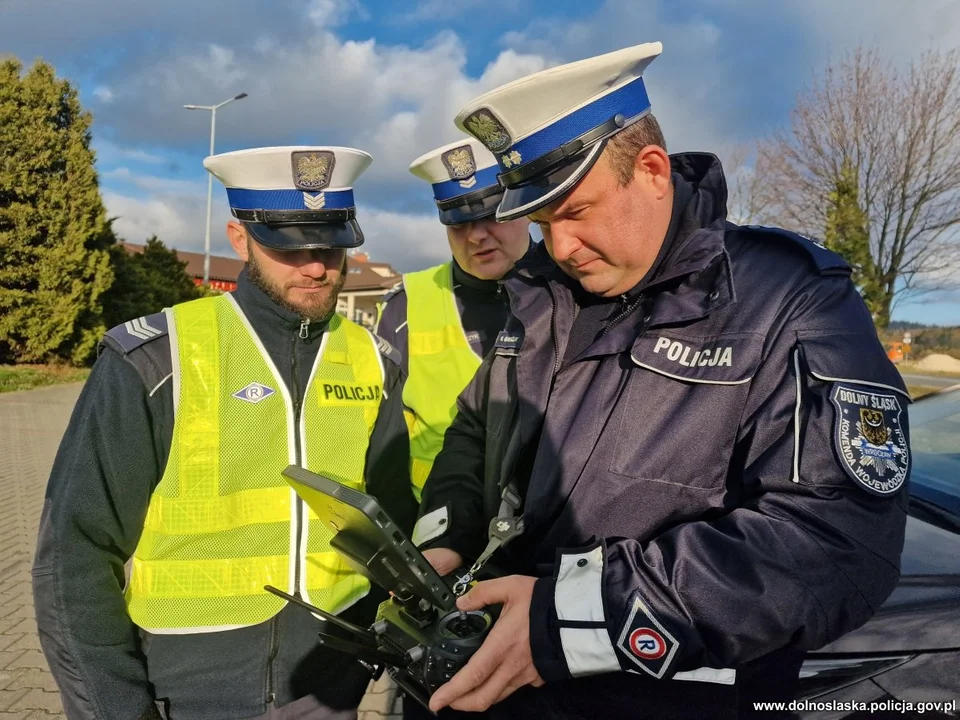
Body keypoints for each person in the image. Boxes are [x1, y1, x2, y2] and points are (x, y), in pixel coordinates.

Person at [413, 42, 911, 719]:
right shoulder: (540, 296)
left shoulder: (786, 298)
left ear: (650, 170)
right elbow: (477, 429)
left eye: (577, 212)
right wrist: (444, 535)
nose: (558, 248)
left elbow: (834, 543)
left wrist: (580, 615)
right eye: (539, 222)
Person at [32, 146, 417, 720]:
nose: (317, 266)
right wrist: (114, 705)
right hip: (187, 690)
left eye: (332, 244)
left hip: (330, 688)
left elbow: (391, 521)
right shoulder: (158, 358)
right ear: (240, 240)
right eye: (291, 245)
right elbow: (74, 552)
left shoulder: (372, 360)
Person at [375, 137, 530, 502]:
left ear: (524, 207)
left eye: (492, 214)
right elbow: (382, 447)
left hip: (544, 542)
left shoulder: (577, 291)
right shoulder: (405, 306)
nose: (476, 236)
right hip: (431, 532)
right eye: (459, 222)